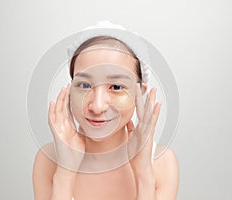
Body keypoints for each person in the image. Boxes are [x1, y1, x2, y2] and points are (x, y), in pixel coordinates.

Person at [32, 35, 179, 200]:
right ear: (70, 89)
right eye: (84, 85)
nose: (97, 106)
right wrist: (66, 172)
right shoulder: (48, 160)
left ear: (139, 92)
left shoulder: (162, 163)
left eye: (116, 87)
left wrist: (143, 173)